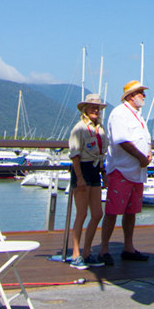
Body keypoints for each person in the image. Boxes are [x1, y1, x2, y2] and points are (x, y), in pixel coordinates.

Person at [98, 80, 153, 265]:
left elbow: (144, 139)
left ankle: (128, 247)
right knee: (112, 211)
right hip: (121, 170)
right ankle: (104, 249)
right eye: (140, 93)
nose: (144, 96)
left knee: (131, 212)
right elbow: (123, 141)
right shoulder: (119, 114)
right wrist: (140, 157)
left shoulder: (138, 116)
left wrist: (148, 154)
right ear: (130, 96)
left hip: (137, 172)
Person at [68, 93, 108, 269]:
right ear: (85, 109)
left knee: (97, 213)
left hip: (94, 170)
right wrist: (80, 178)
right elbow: (75, 155)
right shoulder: (79, 128)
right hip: (82, 170)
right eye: (92, 107)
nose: (96, 110)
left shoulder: (100, 129)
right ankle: (76, 254)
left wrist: (104, 174)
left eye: (98, 107)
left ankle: (87, 251)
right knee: (82, 213)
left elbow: (102, 154)